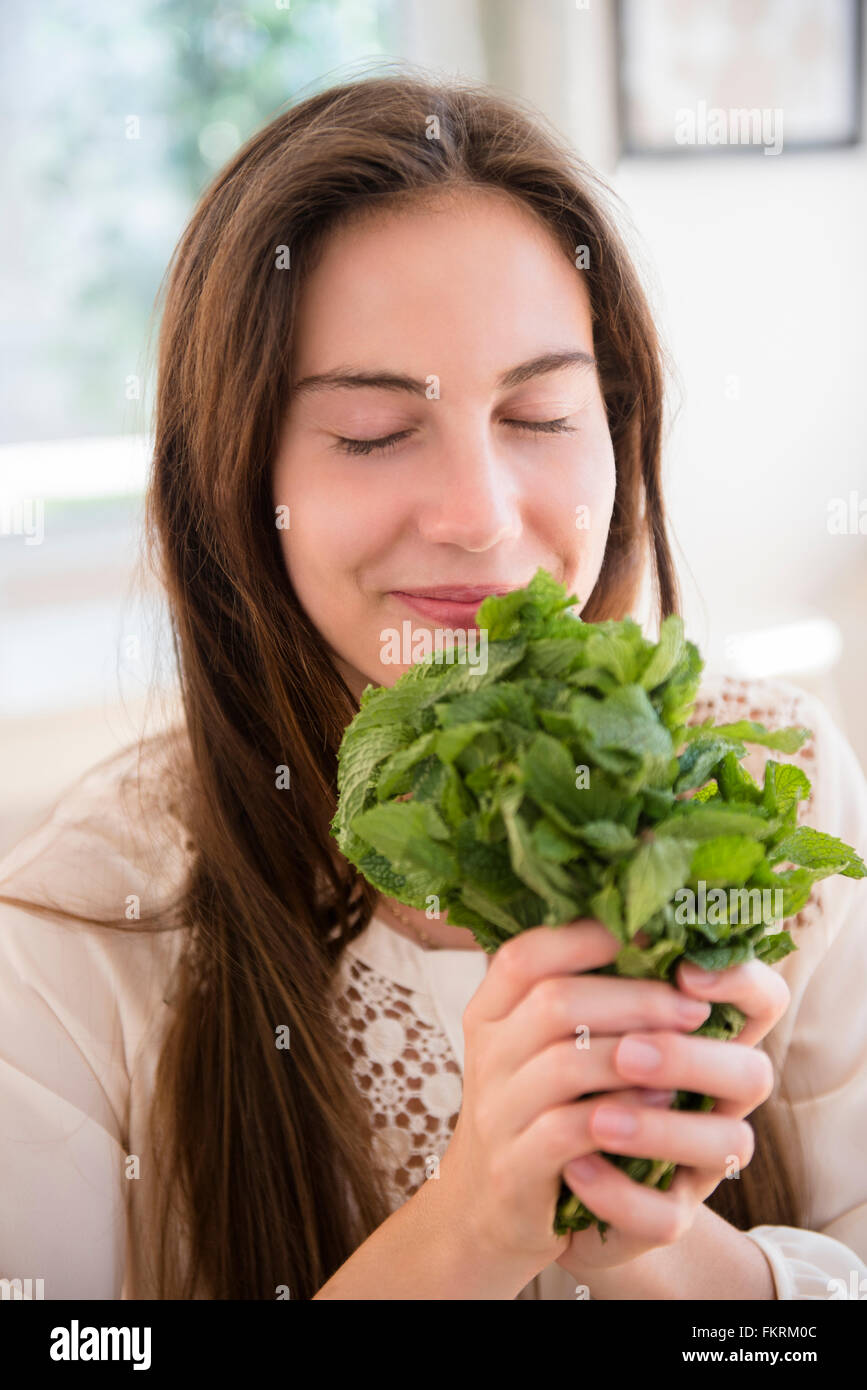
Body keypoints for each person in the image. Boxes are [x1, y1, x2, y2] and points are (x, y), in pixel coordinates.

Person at [1, 68, 865, 1302]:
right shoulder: (70, 937)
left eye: (544, 413)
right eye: (370, 432)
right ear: (238, 481)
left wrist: (657, 1232)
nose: (478, 517)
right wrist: (471, 1230)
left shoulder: (769, 795)